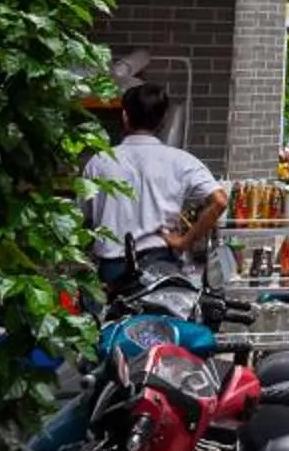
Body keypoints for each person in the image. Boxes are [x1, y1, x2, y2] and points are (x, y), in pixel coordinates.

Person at [84, 81, 228, 295]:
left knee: (111, 325)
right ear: (162, 121)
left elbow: (84, 220)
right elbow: (220, 201)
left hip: (112, 270)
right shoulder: (181, 161)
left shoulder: (99, 162)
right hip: (160, 267)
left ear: (125, 116)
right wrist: (184, 242)